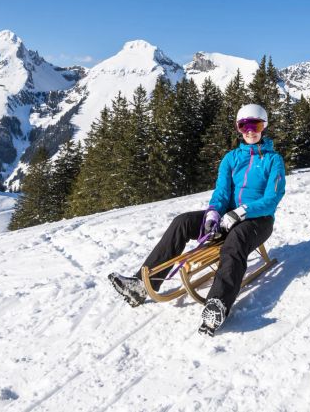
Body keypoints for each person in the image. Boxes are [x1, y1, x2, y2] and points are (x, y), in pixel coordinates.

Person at [108, 103, 286, 336]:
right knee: (182, 222)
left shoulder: (274, 160)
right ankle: (143, 285)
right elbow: (222, 191)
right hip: (227, 216)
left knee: (236, 240)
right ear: (238, 128)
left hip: (258, 220)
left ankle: (218, 304)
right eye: (244, 125)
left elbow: (272, 199)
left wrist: (242, 212)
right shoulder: (231, 158)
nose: (250, 131)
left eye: (256, 125)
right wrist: (214, 212)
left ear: (264, 126)